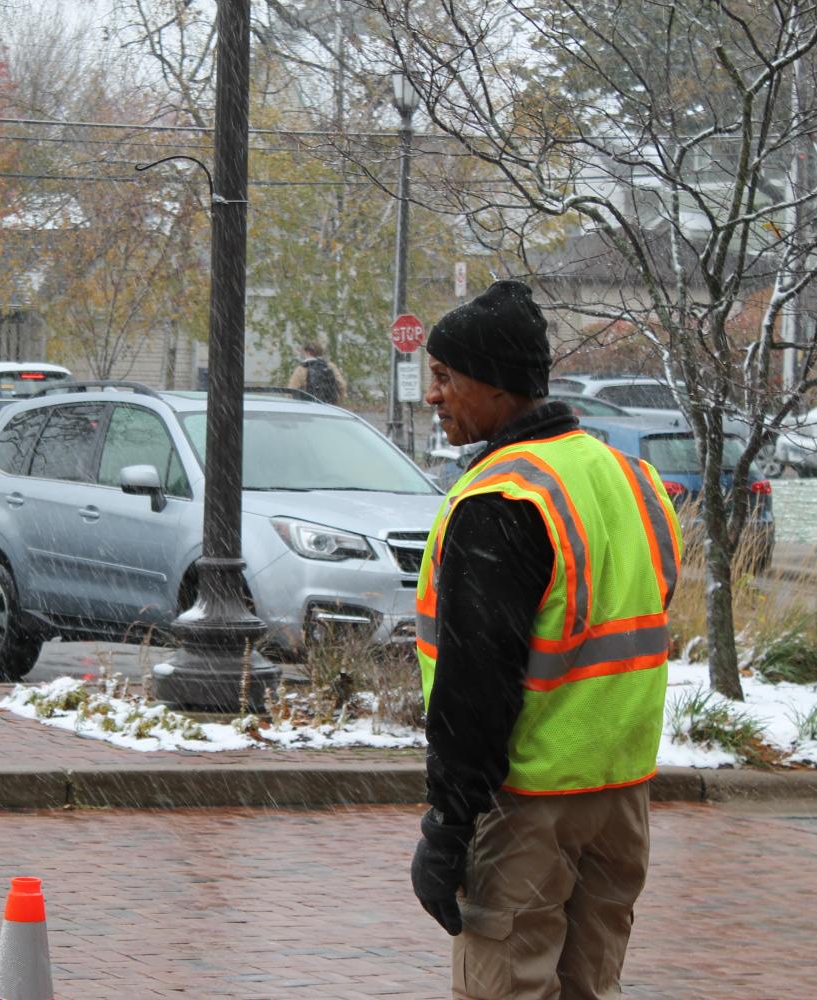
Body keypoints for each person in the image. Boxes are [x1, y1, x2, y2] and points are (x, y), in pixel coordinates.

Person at [410, 279, 683, 999]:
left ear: (496, 386)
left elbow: (476, 685)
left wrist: (447, 823)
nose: (433, 397)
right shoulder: (633, 478)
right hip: (619, 798)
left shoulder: (503, 498)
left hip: (530, 802)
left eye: (444, 378)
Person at [286, 341, 347, 405]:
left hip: (311, 407)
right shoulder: (330, 366)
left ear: (308, 352)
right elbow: (342, 385)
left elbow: (291, 391)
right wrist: (338, 402)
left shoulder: (302, 369)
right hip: (330, 407)